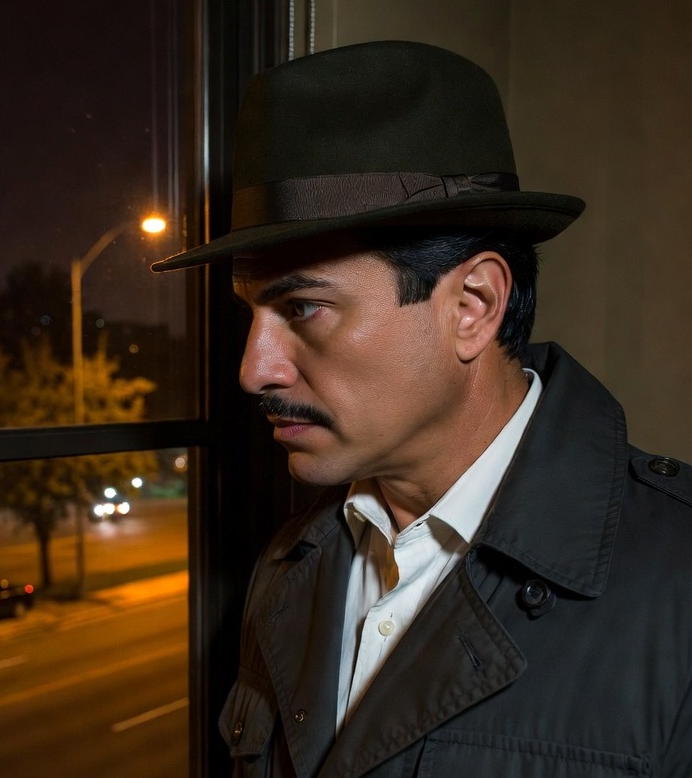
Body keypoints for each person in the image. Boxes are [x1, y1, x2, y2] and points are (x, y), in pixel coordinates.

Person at [152, 41, 692, 777]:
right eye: (251, 314)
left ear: (472, 306)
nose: (254, 371)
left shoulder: (676, 581)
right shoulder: (289, 567)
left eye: (303, 307)